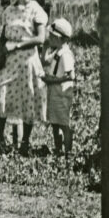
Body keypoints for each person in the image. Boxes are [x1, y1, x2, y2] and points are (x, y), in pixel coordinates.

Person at [0, 0, 48, 155]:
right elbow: (4, 36)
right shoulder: (9, 11)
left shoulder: (36, 10)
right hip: (8, 61)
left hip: (27, 61)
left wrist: (18, 44)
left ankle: (25, 143)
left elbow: (40, 38)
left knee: (27, 99)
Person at [41, 18, 76, 157]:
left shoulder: (65, 54)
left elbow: (70, 75)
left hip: (61, 94)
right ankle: (58, 149)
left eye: (52, 36)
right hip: (54, 93)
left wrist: (52, 80)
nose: (49, 37)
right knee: (55, 122)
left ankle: (68, 152)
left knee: (62, 123)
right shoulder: (57, 51)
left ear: (59, 38)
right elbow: (44, 61)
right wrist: (44, 48)